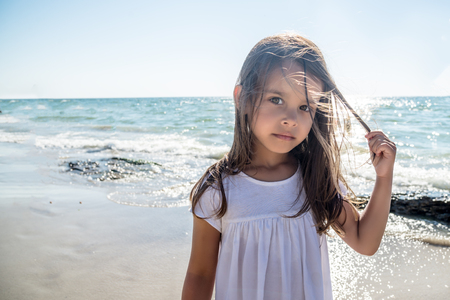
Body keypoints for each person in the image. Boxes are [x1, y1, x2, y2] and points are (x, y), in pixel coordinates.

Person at [182, 33, 396, 300]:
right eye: (276, 99)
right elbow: (200, 274)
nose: (291, 119)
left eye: (305, 106)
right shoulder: (218, 189)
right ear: (243, 99)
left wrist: (384, 176)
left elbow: (365, 242)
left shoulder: (315, 179)